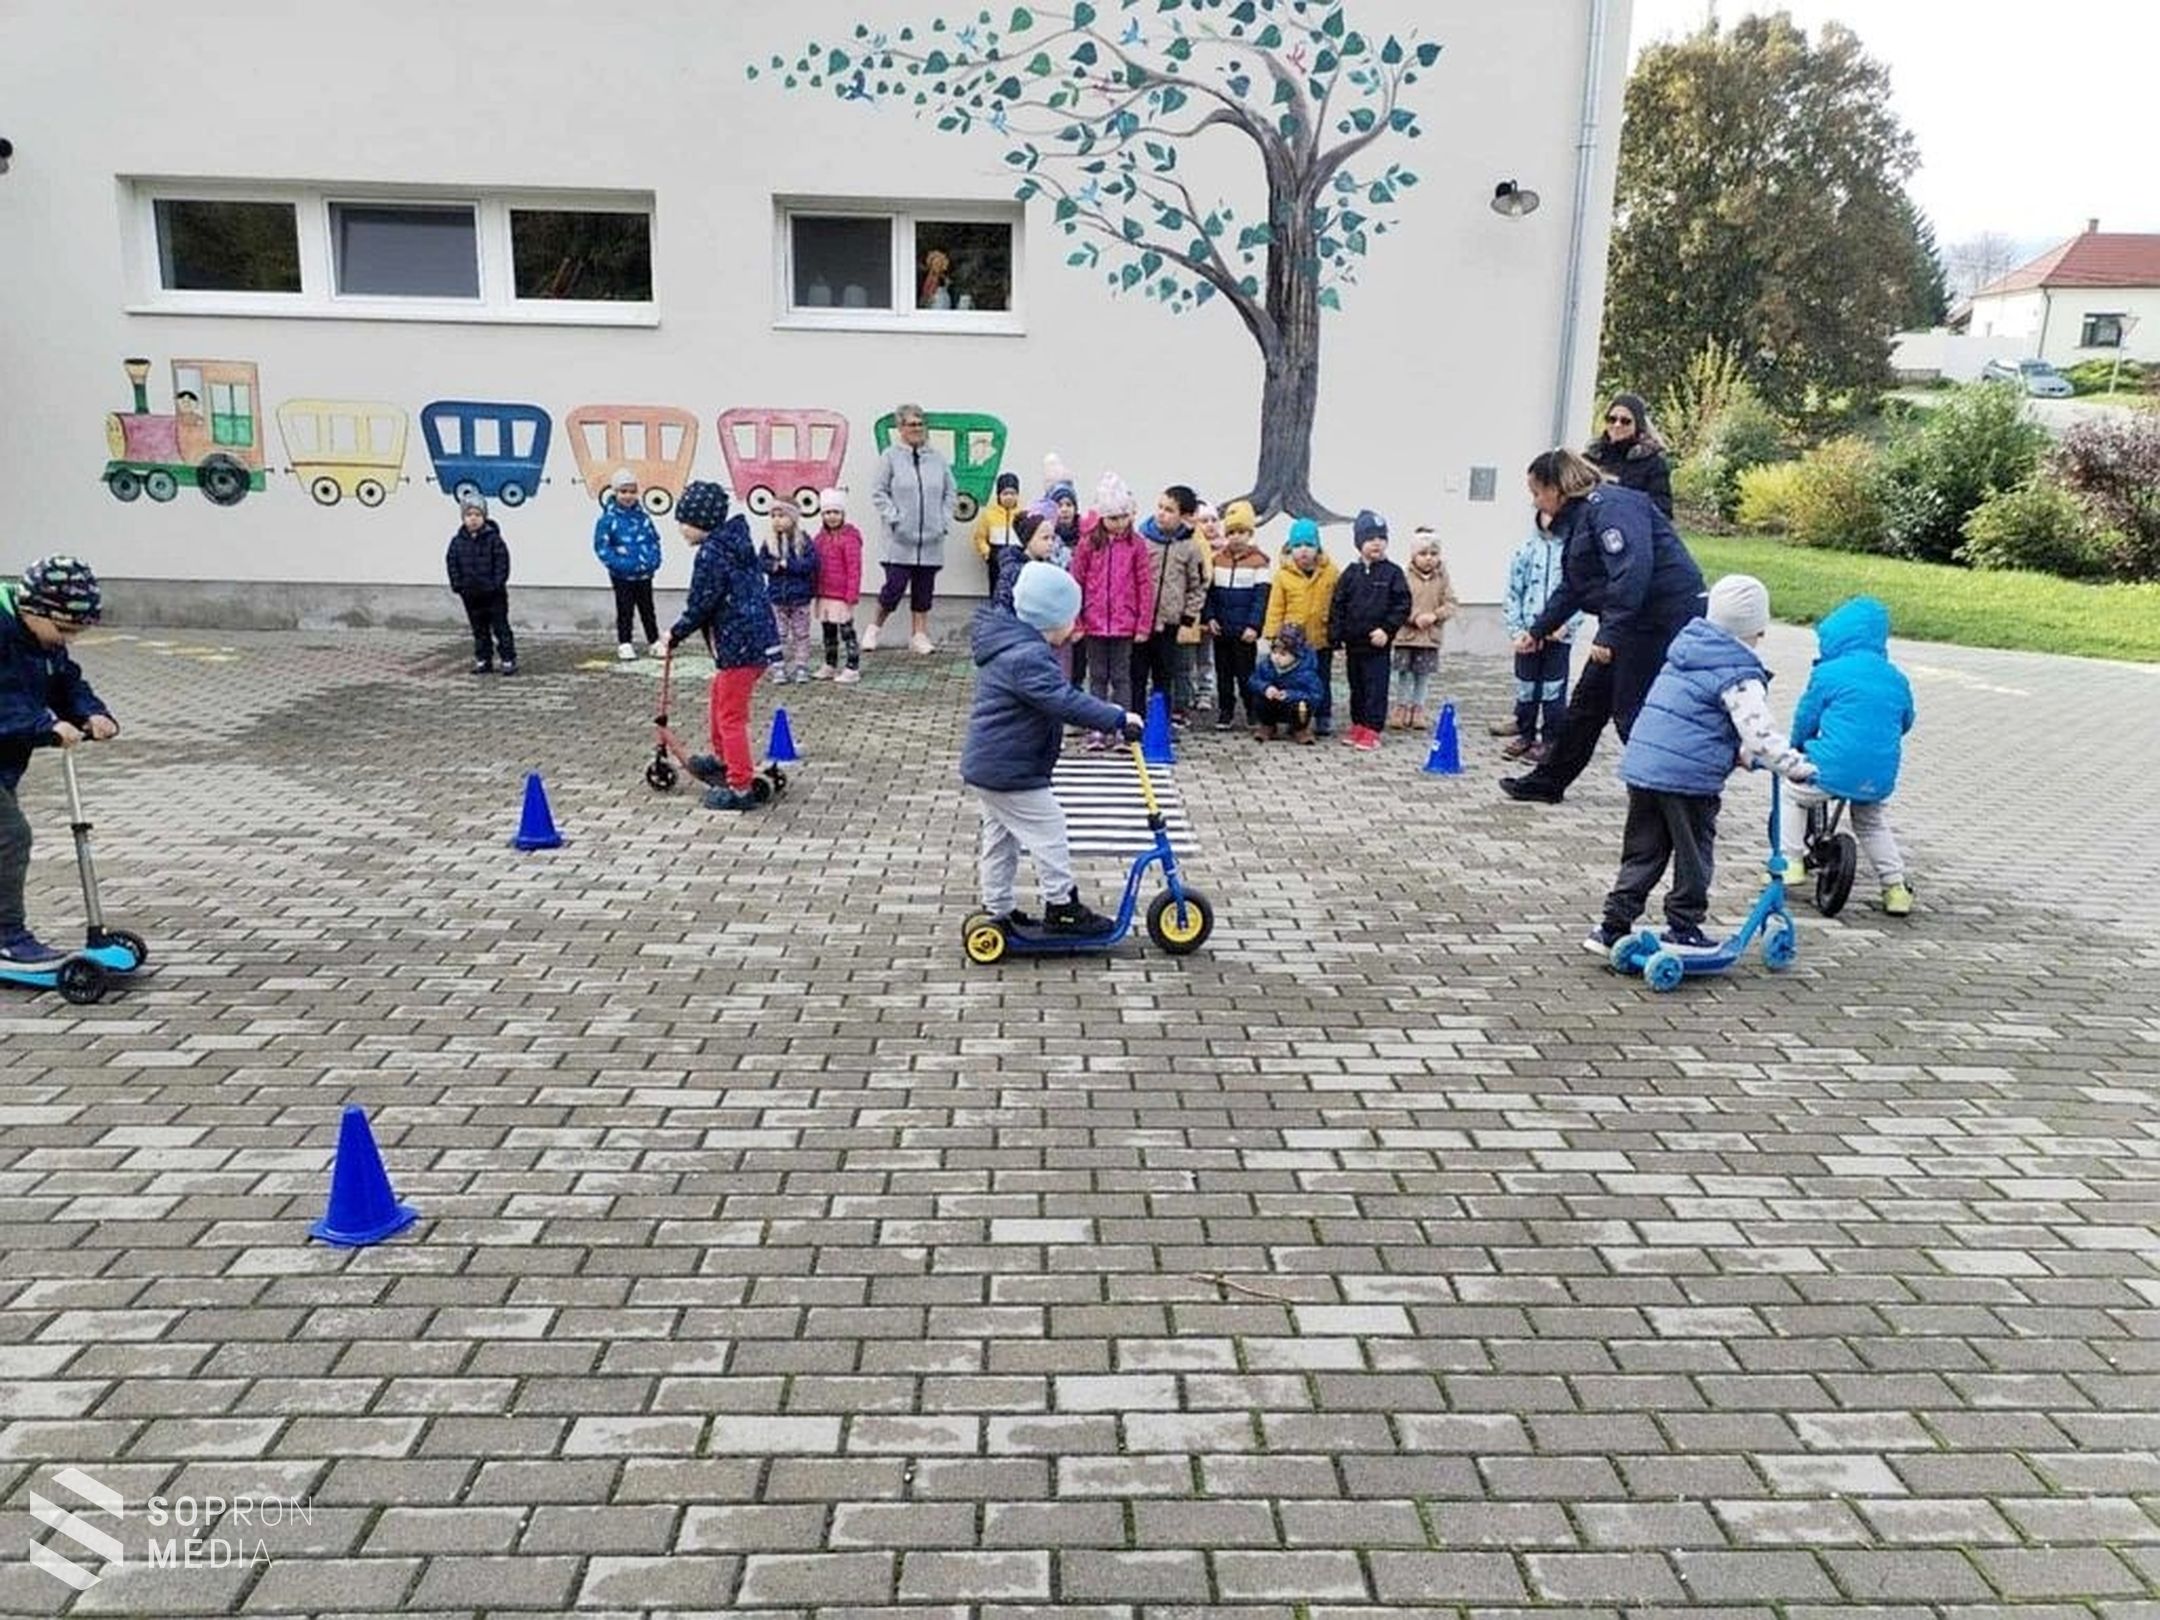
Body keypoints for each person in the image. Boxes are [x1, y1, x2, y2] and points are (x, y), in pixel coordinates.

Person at [1585, 574, 1817, 957]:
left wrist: (1740, 756)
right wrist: (1793, 765)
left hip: (1645, 767)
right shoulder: (1738, 672)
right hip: (1687, 780)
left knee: (1644, 850)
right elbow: (1759, 733)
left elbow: (1694, 720)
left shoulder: (1685, 652)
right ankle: (1684, 926)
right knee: (1694, 853)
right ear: (1758, 629)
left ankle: (1612, 925)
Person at [1500, 449, 1707, 805]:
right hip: (1631, 619)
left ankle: (1669, 795)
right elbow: (1574, 586)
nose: (1535, 502)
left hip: (1658, 618)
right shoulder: (1583, 519)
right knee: (1587, 704)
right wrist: (1537, 630)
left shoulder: (1612, 508)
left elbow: (1632, 570)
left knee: (1629, 707)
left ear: (1557, 488)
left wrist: (1609, 634)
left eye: (1537, 492)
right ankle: (1547, 783)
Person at [961, 561, 1143, 933]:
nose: (1074, 627)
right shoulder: (1026, 657)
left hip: (994, 765)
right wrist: (1117, 718)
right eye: (1070, 619)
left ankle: (997, 908)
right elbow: (1064, 701)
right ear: (1050, 619)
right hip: (1011, 769)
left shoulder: (1014, 646)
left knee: (1000, 838)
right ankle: (1062, 906)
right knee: (1050, 829)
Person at [0, 557, 117, 964]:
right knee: (11, 836)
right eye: (65, 630)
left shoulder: (42, 640)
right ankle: (7, 936)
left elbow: (65, 681)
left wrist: (91, 713)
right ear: (34, 609)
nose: (68, 640)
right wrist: (44, 725)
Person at [1788, 595, 1917, 916]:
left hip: (1831, 767)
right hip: (1879, 772)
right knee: (1871, 823)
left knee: (1792, 795)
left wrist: (1796, 746)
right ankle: (1895, 887)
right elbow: (1906, 720)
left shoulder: (1828, 674)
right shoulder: (1896, 677)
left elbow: (1806, 717)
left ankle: (1790, 861)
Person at [659, 482, 782, 812]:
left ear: (702, 521)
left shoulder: (712, 554)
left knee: (731, 716)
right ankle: (723, 759)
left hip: (739, 646)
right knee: (719, 698)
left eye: (684, 522)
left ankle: (740, 787)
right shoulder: (734, 545)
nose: (681, 529)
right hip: (753, 642)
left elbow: (701, 603)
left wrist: (675, 634)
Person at [865, 402, 958, 655]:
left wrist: (943, 521)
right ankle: (874, 628)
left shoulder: (937, 459)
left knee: (923, 590)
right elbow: (879, 492)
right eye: (911, 424)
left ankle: (919, 635)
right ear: (901, 428)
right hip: (899, 540)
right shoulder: (890, 457)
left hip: (931, 539)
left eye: (920, 424)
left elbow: (951, 492)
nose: (917, 429)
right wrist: (894, 518)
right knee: (893, 588)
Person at [1068, 474, 1151, 752]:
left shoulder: (1136, 544)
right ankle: (1097, 727)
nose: (1119, 523)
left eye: (1123, 517)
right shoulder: (1088, 543)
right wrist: (1077, 620)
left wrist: (1143, 624)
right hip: (1094, 622)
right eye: (1113, 518)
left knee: (1121, 676)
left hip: (1124, 623)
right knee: (1097, 676)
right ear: (1103, 517)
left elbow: (1144, 584)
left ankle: (1122, 727)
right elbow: (1076, 582)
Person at [1501, 509, 1582, 761]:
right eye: (1546, 514)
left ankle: (1551, 740)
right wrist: (1517, 630)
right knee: (1526, 687)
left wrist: (1566, 626)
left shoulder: (1573, 552)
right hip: (1528, 636)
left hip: (1558, 638)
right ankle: (1525, 733)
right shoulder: (1526, 549)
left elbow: (1582, 594)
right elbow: (1513, 593)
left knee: (1553, 688)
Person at [1328, 509, 1411, 752]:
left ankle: (1373, 729)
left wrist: (1387, 629)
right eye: (1370, 538)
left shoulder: (1393, 573)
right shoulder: (1350, 574)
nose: (1377, 543)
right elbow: (1338, 605)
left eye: (1381, 538)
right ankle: (1358, 724)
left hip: (1377, 646)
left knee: (1376, 687)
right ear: (1359, 542)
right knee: (1357, 687)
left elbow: (1402, 604)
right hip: (1354, 645)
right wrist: (1336, 639)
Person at [1134, 484, 1209, 727]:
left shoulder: (1191, 548)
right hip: (1141, 622)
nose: (1162, 513)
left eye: (1169, 510)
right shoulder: (1142, 541)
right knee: (1137, 674)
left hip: (1170, 623)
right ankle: (1136, 721)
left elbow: (1198, 586)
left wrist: (1188, 620)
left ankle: (1161, 723)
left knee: (1165, 675)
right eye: (1160, 507)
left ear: (1184, 516)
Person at [1261, 519, 1339, 736]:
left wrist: (1337, 631)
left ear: (1318, 547)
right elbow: (1276, 606)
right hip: (1292, 642)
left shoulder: (1331, 572)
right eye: (1297, 545)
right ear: (1290, 548)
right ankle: (1294, 718)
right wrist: (1272, 633)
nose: (1303, 550)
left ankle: (1323, 716)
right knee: (1294, 681)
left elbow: (1339, 603)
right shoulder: (1283, 575)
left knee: (1322, 679)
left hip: (1321, 637)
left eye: (1309, 545)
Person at [1203, 499, 1271, 731]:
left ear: (1250, 533)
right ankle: (1225, 711)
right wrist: (1210, 617)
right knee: (1223, 674)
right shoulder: (1217, 560)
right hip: (1221, 628)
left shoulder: (1259, 562)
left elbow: (1261, 598)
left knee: (1246, 674)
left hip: (1244, 631)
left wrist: (1254, 625)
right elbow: (1209, 594)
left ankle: (1252, 711)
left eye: (1241, 532)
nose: (1236, 537)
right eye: (1231, 532)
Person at [1389, 527, 1456, 732]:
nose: (1428, 558)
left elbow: (1451, 603)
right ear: (1413, 555)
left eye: (1433, 554)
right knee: (1404, 673)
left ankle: (1418, 708)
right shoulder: (1404, 575)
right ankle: (1401, 707)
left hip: (1429, 637)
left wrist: (1435, 615)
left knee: (1423, 674)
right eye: (1423, 553)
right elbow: (1397, 602)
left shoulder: (1442, 577)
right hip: (1406, 636)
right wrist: (1414, 617)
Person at [593, 467, 664, 661]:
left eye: (632, 491)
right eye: (623, 491)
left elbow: (654, 540)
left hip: (644, 573)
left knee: (647, 608)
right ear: (615, 492)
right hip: (622, 575)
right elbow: (602, 546)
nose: (628, 496)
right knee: (625, 609)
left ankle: (654, 641)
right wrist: (619, 564)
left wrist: (654, 561)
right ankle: (625, 643)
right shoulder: (608, 520)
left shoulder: (643, 518)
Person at [445, 493, 515, 676]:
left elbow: (502, 563)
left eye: (477, 514)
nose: (473, 519)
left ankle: (508, 659)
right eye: (469, 515)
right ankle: (483, 659)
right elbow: (452, 563)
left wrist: (496, 584)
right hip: (471, 594)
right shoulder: (457, 542)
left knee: (500, 627)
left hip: (494, 595)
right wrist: (458, 585)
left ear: (484, 517)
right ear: (463, 518)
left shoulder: (494, 539)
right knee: (479, 629)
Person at [1585, 391, 1673, 517]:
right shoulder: (1590, 458)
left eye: (1625, 421)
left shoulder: (1653, 464)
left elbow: (1662, 511)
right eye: (1612, 419)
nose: (1617, 425)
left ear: (1638, 425)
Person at [761, 504, 820, 684]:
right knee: (778, 634)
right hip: (777, 598)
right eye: (773, 516)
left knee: (801, 634)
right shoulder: (769, 541)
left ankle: (801, 666)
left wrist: (791, 565)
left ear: (793, 518)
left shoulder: (804, 541)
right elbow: (760, 562)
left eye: (782, 516)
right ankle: (778, 667)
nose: (777, 520)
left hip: (799, 598)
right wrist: (774, 566)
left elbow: (812, 563)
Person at [811, 487, 863, 685]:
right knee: (828, 632)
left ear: (843, 514)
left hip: (842, 595)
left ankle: (852, 667)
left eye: (835, 512)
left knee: (847, 632)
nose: (831, 517)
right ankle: (830, 663)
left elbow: (854, 568)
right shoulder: (819, 539)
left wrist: (852, 593)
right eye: (827, 513)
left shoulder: (850, 539)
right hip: (824, 593)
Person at [1246, 623, 1325, 743]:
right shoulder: (1265, 665)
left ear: (1296, 655)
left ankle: (1300, 729)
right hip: (1272, 703)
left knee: (1302, 706)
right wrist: (1266, 688)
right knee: (1259, 697)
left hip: (1293, 705)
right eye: (1274, 653)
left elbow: (1315, 695)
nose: (1276, 657)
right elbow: (1253, 680)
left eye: (1283, 654)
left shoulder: (1306, 672)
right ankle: (1267, 725)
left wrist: (1290, 695)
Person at [994, 511, 1060, 612]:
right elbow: (1001, 607)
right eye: (1045, 538)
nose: (1051, 543)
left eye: (1053, 538)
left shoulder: (1050, 568)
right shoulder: (1013, 571)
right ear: (1028, 540)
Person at [973, 470, 1024, 597]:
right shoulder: (989, 515)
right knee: (996, 591)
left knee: (1017, 592)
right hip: (996, 559)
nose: (1009, 497)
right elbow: (979, 537)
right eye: (1005, 493)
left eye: (1013, 493)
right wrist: (987, 553)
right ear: (998, 495)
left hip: (1017, 559)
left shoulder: (1023, 514)